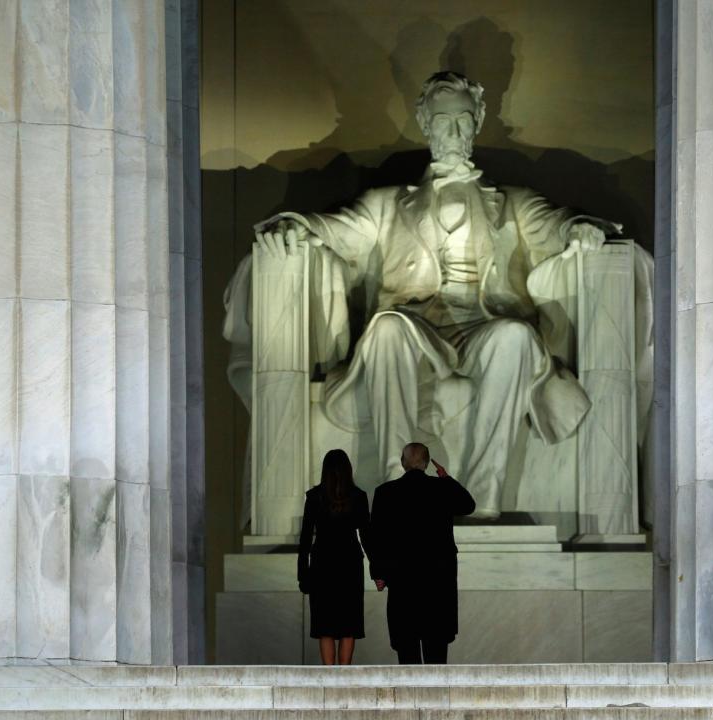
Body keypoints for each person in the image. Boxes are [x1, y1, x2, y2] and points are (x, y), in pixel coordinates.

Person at [251, 70, 628, 519]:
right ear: (424, 122)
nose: (452, 131)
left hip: (482, 326)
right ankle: (397, 486)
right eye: (442, 119)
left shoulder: (511, 201)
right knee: (386, 328)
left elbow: (554, 224)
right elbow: (335, 230)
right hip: (416, 327)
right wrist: (296, 226)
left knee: (516, 337)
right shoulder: (387, 203)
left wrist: (579, 229)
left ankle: (482, 495)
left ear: (478, 120)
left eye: (463, 120)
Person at [369, 442, 475, 664]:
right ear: (427, 464)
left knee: (407, 654)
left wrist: (378, 573)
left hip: (402, 582)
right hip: (438, 583)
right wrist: (445, 477)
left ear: (402, 463)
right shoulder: (442, 488)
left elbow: (376, 537)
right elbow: (468, 505)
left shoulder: (385, 492)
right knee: (436, 654)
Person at [297, 449, 372, 665]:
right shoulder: (358, 497)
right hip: (350, 563)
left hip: (322, 563)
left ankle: (329, 675)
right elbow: (367, 537)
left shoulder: (314, 497)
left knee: (325, 626)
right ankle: (344, 674)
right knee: (349, 624)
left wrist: (303, 574)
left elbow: (304, 540)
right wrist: (378, 568)